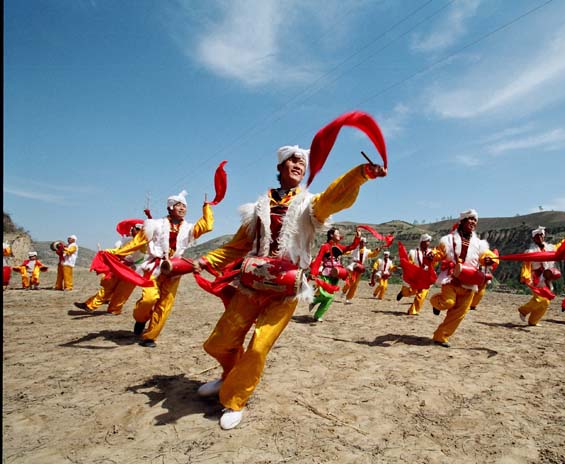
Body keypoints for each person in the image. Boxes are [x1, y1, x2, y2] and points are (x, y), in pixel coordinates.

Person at [194, 145, 387, 430]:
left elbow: (334, 198)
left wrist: (360, 174)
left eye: (303, 162)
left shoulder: (310, 205)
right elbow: (237, 246)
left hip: (287, 288)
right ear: (281, 166)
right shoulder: (257, 208)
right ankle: (229, 374)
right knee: (220, 341)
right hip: (252, 283)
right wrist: (206, 259)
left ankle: (234, 399)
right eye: (293, 160)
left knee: (258, 347)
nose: (299, 164)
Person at [106, 191, 214, 347]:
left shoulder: (189, 228)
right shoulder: (154, 224)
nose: (183, 208)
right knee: (149, 299)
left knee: (165, 303)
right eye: (179, 205)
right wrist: (116, 253)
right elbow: (137, 242)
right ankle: (141, 318)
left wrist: (207, 206)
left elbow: (207, 225)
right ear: (170, 208)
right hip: (154, 266)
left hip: (174, 269)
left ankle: (150, 336)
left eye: (185, 206)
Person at [429, 209, 496, 348]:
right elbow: (439, 253)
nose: (473, 222)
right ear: (463, 221)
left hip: (470, 282)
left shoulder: (480, 243)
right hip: (451, 279)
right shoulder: (448, 240)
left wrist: (489, 260)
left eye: (475, 220)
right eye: (470, 219)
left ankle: (440, 336)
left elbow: (486, 257)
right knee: (448, 303)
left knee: (459, 313)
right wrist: (432, 255)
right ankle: (436, 301)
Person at [74, 223, 145, 315]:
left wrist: (110, 252)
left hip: (134, 271)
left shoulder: (143, 243)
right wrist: (108, 253)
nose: (131, 230)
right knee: (108, 287)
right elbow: (120, 250)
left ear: (140, 231)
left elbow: (123, 252)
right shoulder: (129, 240)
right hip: (122, 267)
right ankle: (90, 305)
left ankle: (114, 310)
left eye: (134, 228)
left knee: (122, 291)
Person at [308, 227, 361, 322]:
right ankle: (314, 300)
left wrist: (357, 237)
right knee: (327, 295)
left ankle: (317, 315)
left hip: (336, 275)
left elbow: (351, 247)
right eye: (337, 233)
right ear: (331, 235)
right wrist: (313, 273)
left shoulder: (340, 247)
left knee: (329, 299)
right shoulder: (325, 246)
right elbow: (319, 259)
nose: (339, 235)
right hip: (326, 274)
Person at [517, 226, 565, 326]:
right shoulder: (530, 252)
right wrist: (526, 277)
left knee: (546, 302)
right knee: (540, 298)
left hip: (547, 277)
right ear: (534, 238)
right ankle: (523, 310)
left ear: (543, 236)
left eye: (541, 235)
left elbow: (560, 246)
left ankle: (533, 321)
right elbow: (526, 265)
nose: (539, 237)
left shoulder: (550, 248)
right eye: (537, 236)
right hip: (536, 278)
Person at [396, 234, 435, 315]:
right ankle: (403, 293)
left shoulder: (431, 253)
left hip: (425, 277)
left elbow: (434, 264)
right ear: (422, 242)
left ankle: (412, 311)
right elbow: (409, 263)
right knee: (409, 291)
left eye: (429, 241)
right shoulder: (413, 252)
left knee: (422, 294)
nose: (429, 243)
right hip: (415, 276)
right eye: (427, 241)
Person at [341, 237, 380, 304]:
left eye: (363, 242)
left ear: (365, 243)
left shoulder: (367, 251)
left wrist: (377, 251)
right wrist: (341, 251)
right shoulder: (354, 249)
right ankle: (344, 291)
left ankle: (348, 298)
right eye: (361, 242)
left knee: (355, 284)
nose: (362, 243)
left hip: (360, 268)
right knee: (351, 281)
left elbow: (373, 254)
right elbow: (347, 252)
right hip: (353, 266)